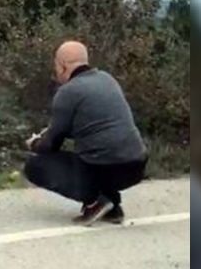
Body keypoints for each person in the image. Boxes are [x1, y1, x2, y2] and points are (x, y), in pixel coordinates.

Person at [23, 41, 148, 225]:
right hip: (136, 165)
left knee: (36, 165)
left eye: (56, 66)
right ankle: (112, 207)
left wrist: (34, 143)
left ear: (62, 66)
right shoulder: (107, 79)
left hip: (105, 164)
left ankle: (95, 203)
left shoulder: (68, 91)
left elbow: (51, 145)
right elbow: (92, 126)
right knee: (93, 156)